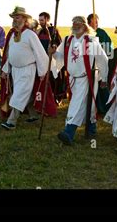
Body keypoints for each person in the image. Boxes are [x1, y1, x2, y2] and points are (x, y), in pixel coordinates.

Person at [50, 16, 109, 145]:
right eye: (74, 23)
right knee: (86, 104)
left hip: (87, 78)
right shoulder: (67, 40)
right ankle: (92, 128)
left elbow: (102, 60)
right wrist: (54, 53)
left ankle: (69, 132)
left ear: (84, 26)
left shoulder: (91, 42)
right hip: (72, 78)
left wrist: (103, 77)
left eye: (79, 23)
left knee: (76, 105)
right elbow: (61, 56)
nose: (76, 25)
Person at [0, 6, 49, 130]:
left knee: (19, 95)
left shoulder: (30, 34)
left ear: (24, 19)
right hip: (16, 70)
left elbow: (40, 53)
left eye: (18, 17)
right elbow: (9, 54)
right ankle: (33, 115)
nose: (15, 20)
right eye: (14, 17)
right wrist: (6, 70)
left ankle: (11, 122)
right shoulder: (13, 34)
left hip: (28, 69)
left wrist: (42, 71)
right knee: (24, 93)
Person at [37, 12, 66, 103]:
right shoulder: (40, 31)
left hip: (52, 59)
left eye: (42, 20)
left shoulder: (53, 30)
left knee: (54, 79)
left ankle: (56, 98)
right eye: (39, 20)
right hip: (43, 59)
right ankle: (46, 98)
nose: (40, 22)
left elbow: (58, 43)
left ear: (47, 20)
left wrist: (53, 47)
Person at [88, 13, 112, 115]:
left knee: (102, 88)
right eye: (94, 21)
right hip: (88, 65)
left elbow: (108, 49)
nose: (96, 23)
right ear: (89, 22)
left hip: (99, 65)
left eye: (97, 21)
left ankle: (104, 108)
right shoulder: (85, 33)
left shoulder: (101, 33)